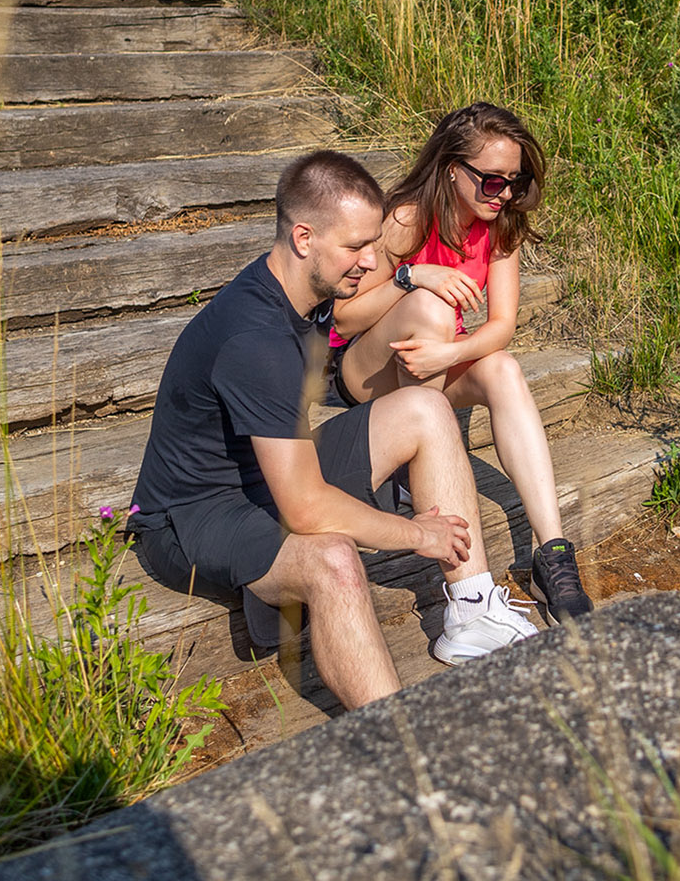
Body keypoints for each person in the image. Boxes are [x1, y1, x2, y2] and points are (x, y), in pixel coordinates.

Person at [127, 150, 538, 708]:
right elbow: (307, 511)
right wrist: (419, 534)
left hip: (270, 471)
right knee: (335, 558)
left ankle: (470, 610)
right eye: (355, 246)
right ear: (303, 238)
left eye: (373, 243)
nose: (371, 261)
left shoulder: (309, 291)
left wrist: (412, 280)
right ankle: (395, 741)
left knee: (426, 409)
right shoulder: (256, 339)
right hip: (194, 515)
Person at [328, 102, 594, 623]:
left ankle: (554, 554)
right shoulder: (407, 217)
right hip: (368, 374)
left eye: (513, 182)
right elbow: (342, 319)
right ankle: (412, 464)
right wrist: (412, 277)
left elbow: (502, 326)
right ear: (453, 169)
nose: (505, 194)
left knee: (506, 369)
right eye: (491, 182)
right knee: (429, 306)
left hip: (430, 362)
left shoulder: (500, 226)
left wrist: (451, 352)